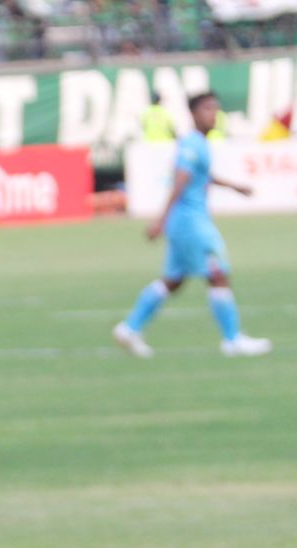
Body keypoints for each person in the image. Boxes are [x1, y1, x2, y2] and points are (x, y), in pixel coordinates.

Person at [114, 92, 270, 359]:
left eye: (216, 109)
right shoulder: (191, 144)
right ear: (194, 113)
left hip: (185, 221)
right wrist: (160, 220)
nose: (214, 114)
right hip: (191, 222)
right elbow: (181, 180)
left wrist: (235, 187)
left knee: (173, 281)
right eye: (208, 109)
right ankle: (232, 340)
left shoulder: (198, 143)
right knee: (218, 273)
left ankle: (130, 328)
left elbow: (202, 175)